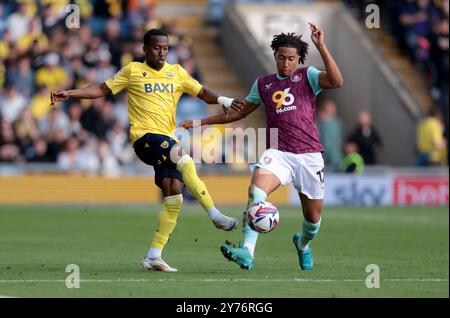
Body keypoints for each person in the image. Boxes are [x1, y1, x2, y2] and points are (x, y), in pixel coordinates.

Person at [51, 28, 242, 272]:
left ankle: (154, 255)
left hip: (166, 138)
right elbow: (102, 89)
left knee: (174, 196)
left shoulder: (177, 72)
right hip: (145, 138)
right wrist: (71, 94)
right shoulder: (133, 70)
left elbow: (203, 93)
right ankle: (215, 215)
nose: (161, 52)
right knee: (185, 160)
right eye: (156, 47)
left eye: (165, 48)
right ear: (145, 49)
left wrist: (225, 101)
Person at [181, 23, 343, 270]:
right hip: (278, 152)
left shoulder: (307, 76)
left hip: (309, 156)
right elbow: (237, 113)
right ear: (275, 56)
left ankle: (302, 244)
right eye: (281, 58)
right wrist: (200, 122)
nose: (286, 63)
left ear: (298, 58)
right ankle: (247, 251)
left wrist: (321, 46)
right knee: (256, 192)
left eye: (291, 59)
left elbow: (336, 80)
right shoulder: (263, 84)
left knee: (313, 219)